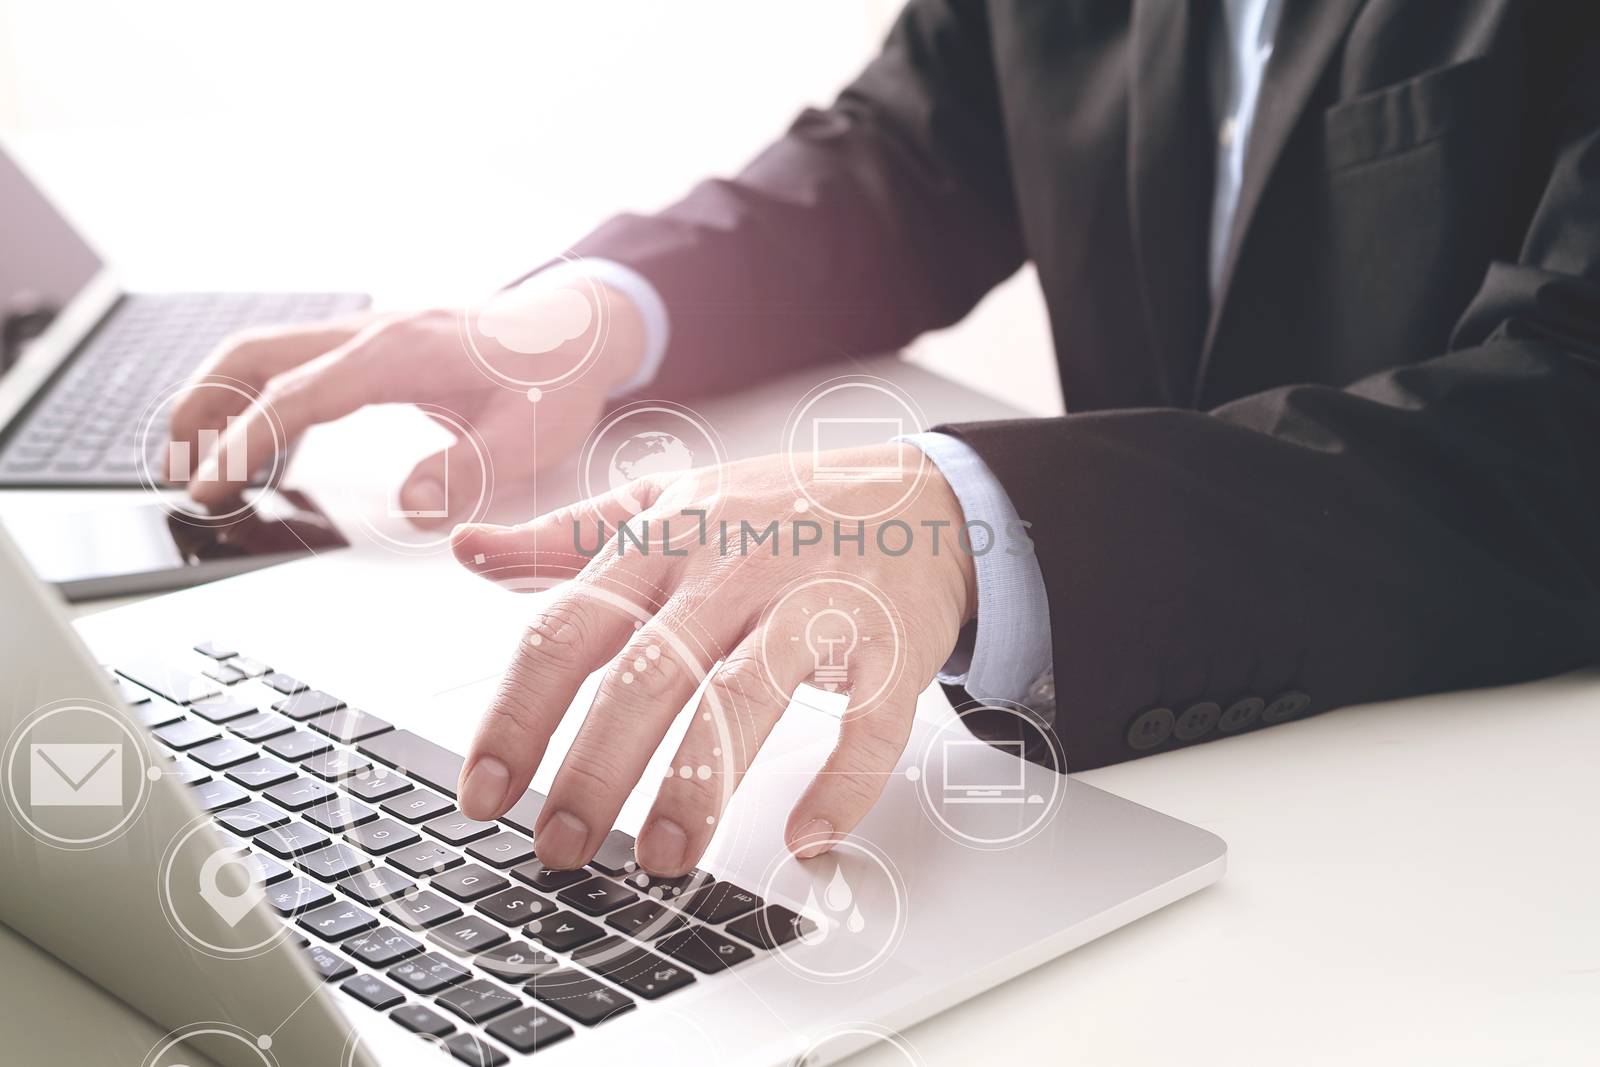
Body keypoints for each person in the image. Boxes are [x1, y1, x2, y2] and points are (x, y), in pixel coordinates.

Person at [168, 0, 1600, 879]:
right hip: (1133, 809)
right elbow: (906, 155)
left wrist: (973, 522)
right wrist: (602, 318)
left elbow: (1565, 419)